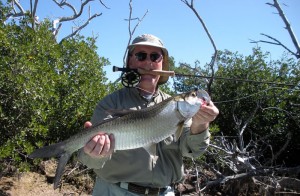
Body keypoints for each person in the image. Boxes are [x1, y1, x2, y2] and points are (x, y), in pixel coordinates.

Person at [78, 34, 219, 196]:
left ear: (162, 64)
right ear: (130, 61)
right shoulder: (111, 103)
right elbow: (88, 160)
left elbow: (192, 151)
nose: (148, 62)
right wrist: (94, 153)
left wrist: (201, 123)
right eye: (141, 56)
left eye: (155, 57)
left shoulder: (179, 107)